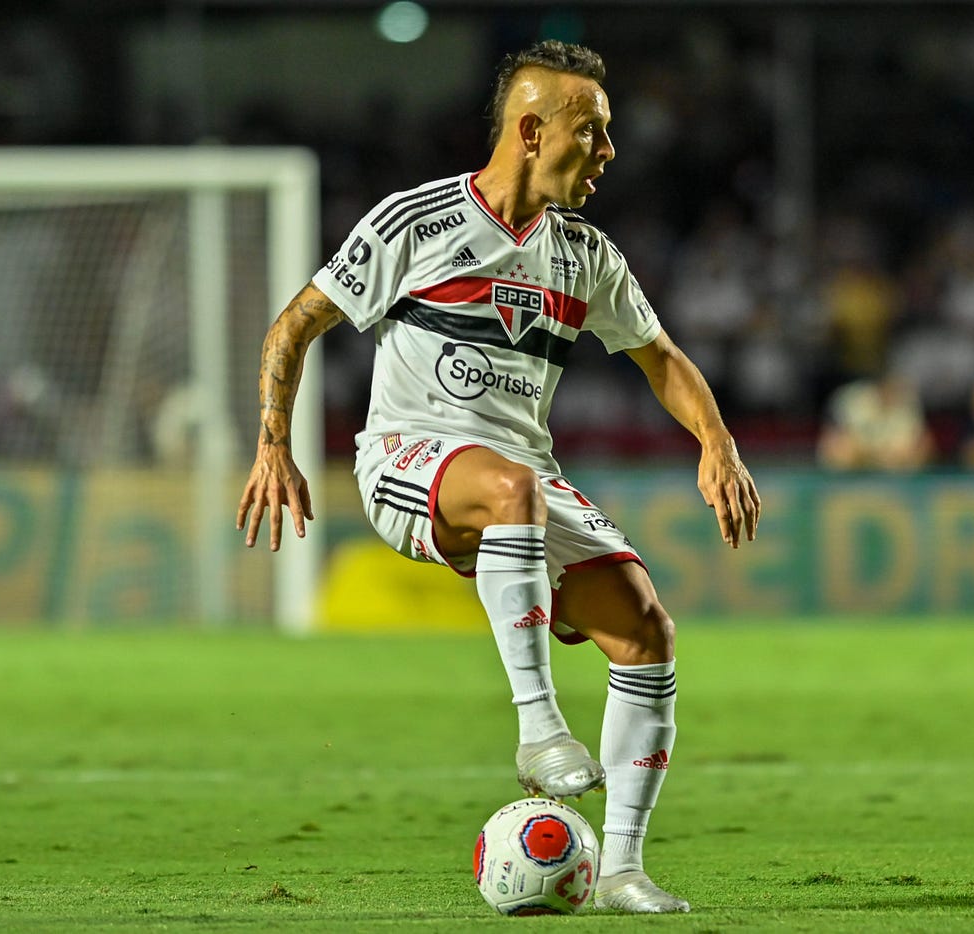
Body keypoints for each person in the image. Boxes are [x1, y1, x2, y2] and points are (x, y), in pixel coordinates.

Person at [235, 40, 761, 914]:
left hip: (518, 477)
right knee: (510, 483)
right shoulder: (418, 222)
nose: (607, 152)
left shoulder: (584, 254)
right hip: (408, 458)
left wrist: (718, 441)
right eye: (589, 131)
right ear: (529, 129)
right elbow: (296, 324)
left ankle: (622, 868)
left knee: (645, 630)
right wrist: (272, 441)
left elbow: (659, 356)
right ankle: (537, 728)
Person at [816, 369, 934, 471]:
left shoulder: (906, 402)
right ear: (879, 387)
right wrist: (872, 455)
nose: (893, 395)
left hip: (892, 467)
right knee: (841, 450)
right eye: (890, 389)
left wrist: (890, 456)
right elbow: (839, 442)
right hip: (854, 465)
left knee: (918, 451)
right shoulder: (852, 399)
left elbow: (917, 443)